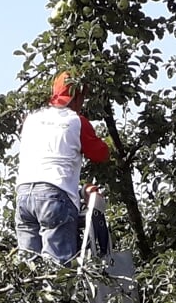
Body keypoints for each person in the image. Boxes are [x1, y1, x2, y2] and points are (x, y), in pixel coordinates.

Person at [13, 71, 110, 263]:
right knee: (58, 271)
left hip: (24, 195)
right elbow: (101, 154)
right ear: (77, 96)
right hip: (55, 194)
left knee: (28, 269)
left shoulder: (31, 119)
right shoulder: (76, 121)